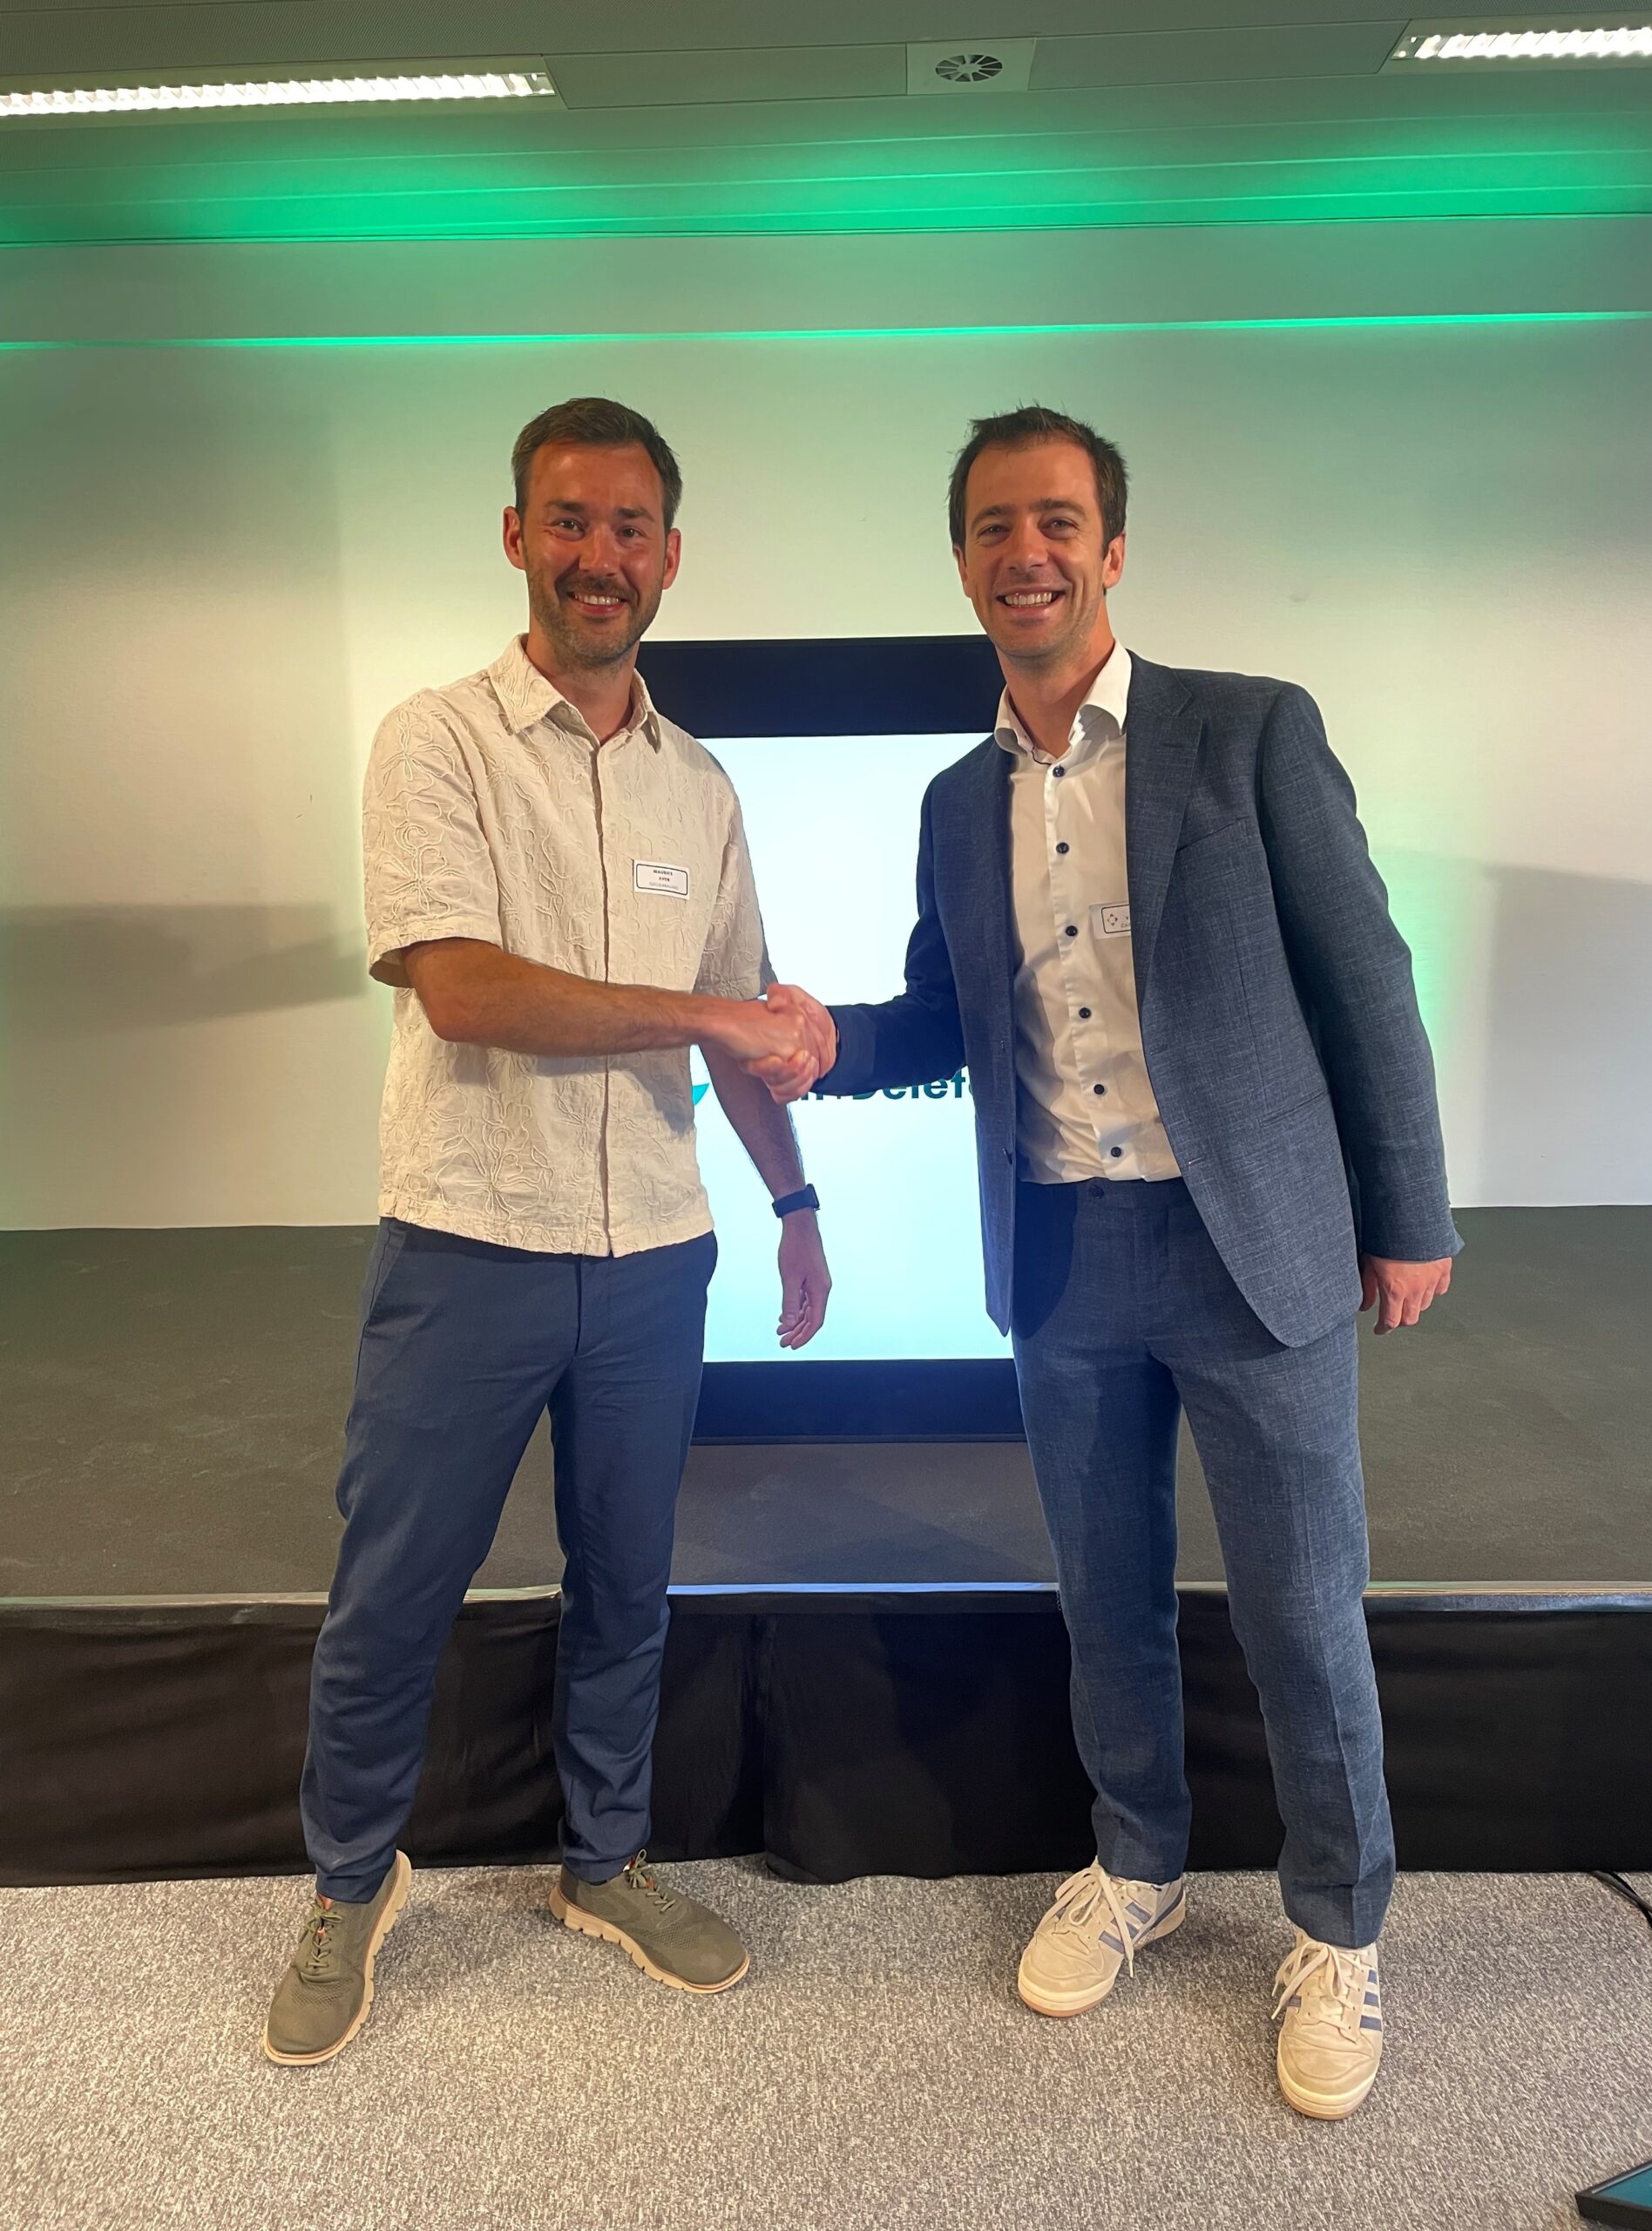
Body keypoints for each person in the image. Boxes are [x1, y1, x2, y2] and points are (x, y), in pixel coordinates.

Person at [769, 405, 1459, 2120]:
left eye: (1058, 521)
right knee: (1107, 1594)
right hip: (1065, 1250)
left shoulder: (1250, 731)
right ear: (963, 563)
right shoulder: (956, 799)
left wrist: (1410, 1211)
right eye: (995, 525)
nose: (1028, 552)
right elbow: (944, 1014)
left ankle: (1338, 1926)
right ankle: (1137, 1857)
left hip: (1256, 1246)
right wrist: (829, 1040)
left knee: (1303, 1605)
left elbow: (1366, 975)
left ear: (1113, 549)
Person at [263, 397, 830, 2065]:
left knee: (627, 1581)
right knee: (394, 1589)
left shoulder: (700, 786)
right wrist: (714, 1020)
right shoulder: (436, 741)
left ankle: (606, 1860)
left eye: (630, 527)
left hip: (654, 1251)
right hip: (469, 1239)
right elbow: (464, 988)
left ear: (670, 555)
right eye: (569, 521)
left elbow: (738, 1009)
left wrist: (794, 1200)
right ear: (518, 537)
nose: (601, 555)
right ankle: (349, 1884)